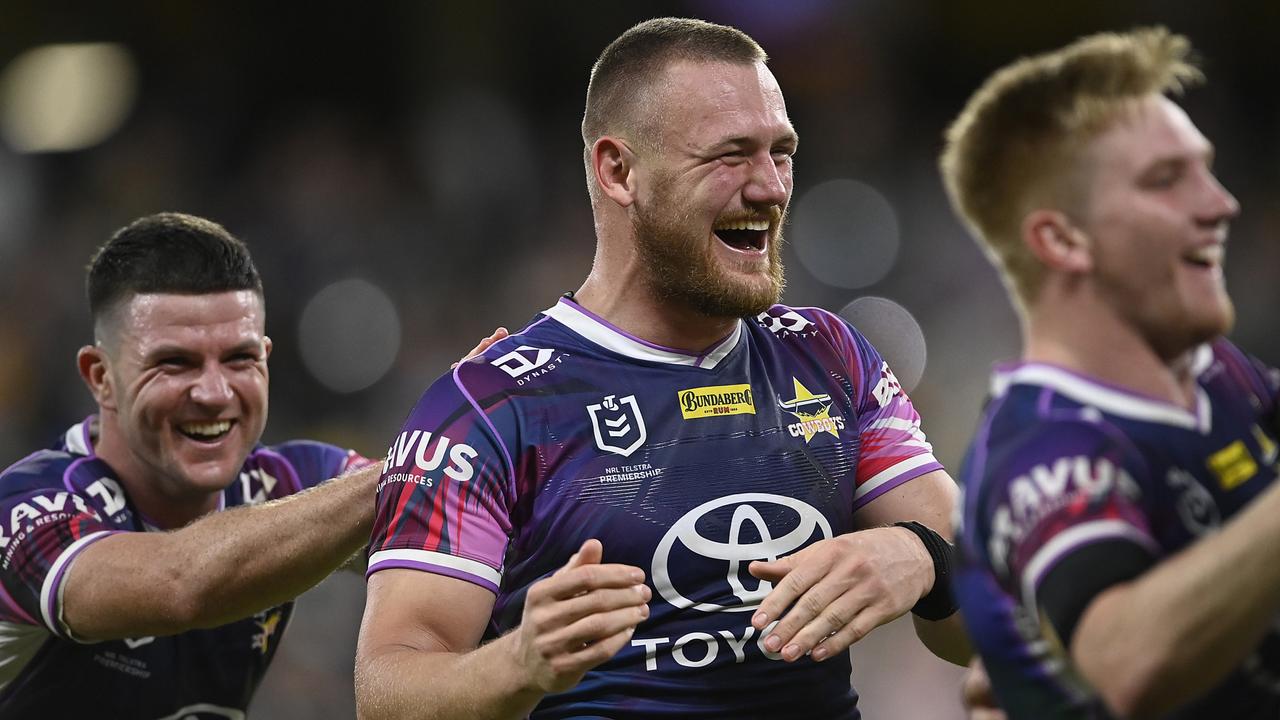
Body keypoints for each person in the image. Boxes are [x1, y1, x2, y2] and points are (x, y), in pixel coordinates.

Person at [355, 17, 968, 720]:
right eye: (731, 156)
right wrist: (516, 663)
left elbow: (1006, 619)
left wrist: (922, 558)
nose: (770, 187)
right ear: (619, 171)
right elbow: (387, 692)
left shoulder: (828, 356)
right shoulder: (493, 406)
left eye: (782, 153)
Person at [0, 212, 505, 718]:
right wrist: (419, 460)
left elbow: (473, 537)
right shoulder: (28, 508)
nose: (216, 393)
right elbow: (179, 585)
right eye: (175, 363)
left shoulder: (298, 479)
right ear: (100, 377)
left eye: (240, 359)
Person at [941, 28, 1280, 718]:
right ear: (1062, 240)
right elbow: (1127, 660)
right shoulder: (1045, 447)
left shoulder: (1218, 376)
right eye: (1166, 180)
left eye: (1206, 169)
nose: (1219, 204)